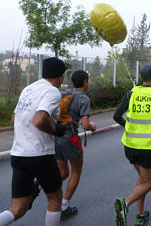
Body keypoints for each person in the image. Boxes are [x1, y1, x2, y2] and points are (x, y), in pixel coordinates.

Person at [0, 57, 67, 226]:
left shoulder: (29, 89)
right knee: (55, 198)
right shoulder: (52, 91)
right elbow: (39, 119)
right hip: (40, 154)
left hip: (19, 154)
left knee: (18, 207)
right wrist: (55, 129)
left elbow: (15, 118)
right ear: (60, 77)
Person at [113, 64, 151, 226]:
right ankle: (125, 203)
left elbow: (116, 116)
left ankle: (141, 214)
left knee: (142, 179)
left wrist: (130, 127)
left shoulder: (131, 93)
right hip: (148, 147)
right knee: (148, 183)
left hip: (130, 146)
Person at [54, 70, 97, 220]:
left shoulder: (63, 94)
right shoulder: (84, 98)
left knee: (63, 173)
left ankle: (41, 186)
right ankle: (64, 206)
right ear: (85, 81)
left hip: (56, 137)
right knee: (76, 172)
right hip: (70, 137)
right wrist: (93, 126)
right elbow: (85, 125)